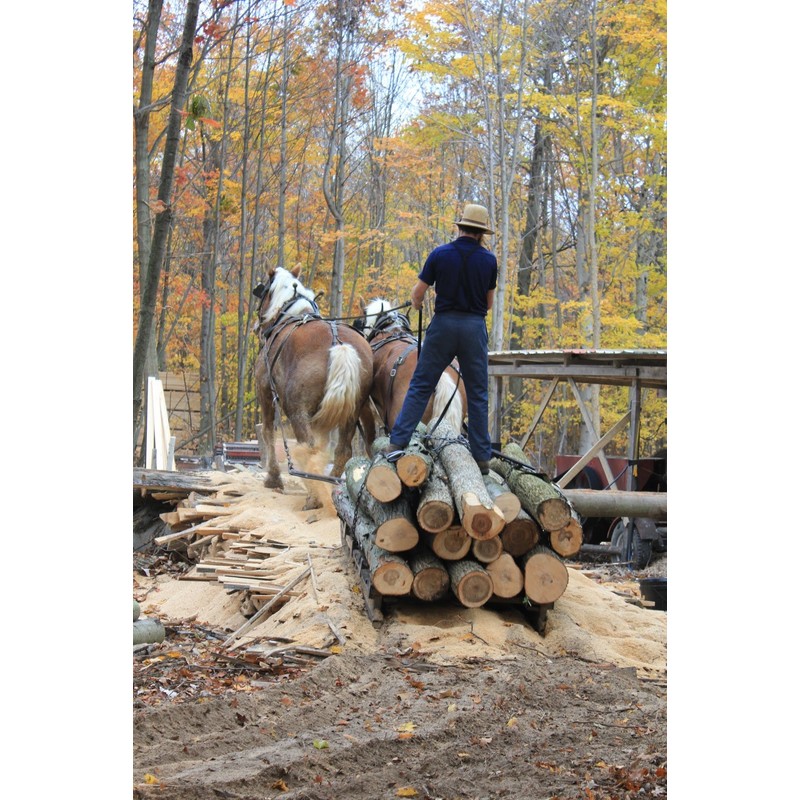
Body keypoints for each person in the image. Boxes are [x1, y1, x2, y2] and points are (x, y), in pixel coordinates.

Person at [383, 203, 498, 474]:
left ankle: (397, 443)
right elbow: (489, 304)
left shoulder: (440, 254)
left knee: (421, 385)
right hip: (473, 328)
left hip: (443, 325)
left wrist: (417, 303)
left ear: (460, 227)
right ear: (482, 232)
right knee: (478, 393)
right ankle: (482, 457)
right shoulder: (489, 260)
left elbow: (418, 292)